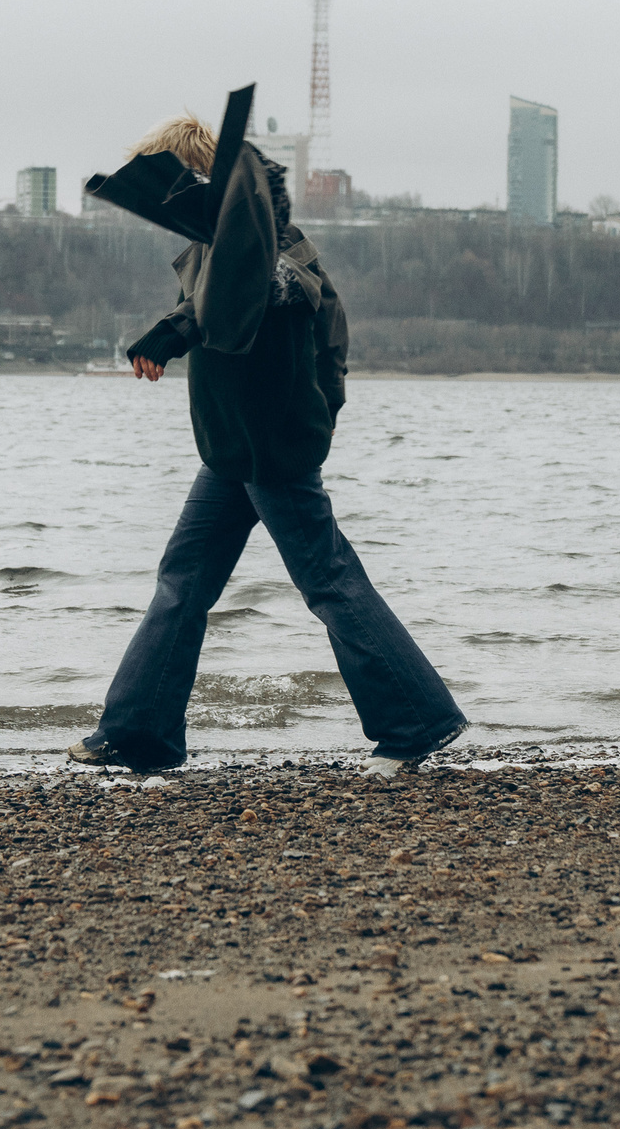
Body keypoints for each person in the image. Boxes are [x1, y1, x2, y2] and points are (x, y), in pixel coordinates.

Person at [73, 97, 466, 778]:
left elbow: (255, 298)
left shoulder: (266, 247)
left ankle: (417, 720)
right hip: (233, 450)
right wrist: (176, 330)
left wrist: (175, 337)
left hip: (272, 447)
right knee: (185, 579)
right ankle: (140, 733)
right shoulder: (220, 245)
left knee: (328, 580)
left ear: (191, 179)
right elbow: (221, 304)